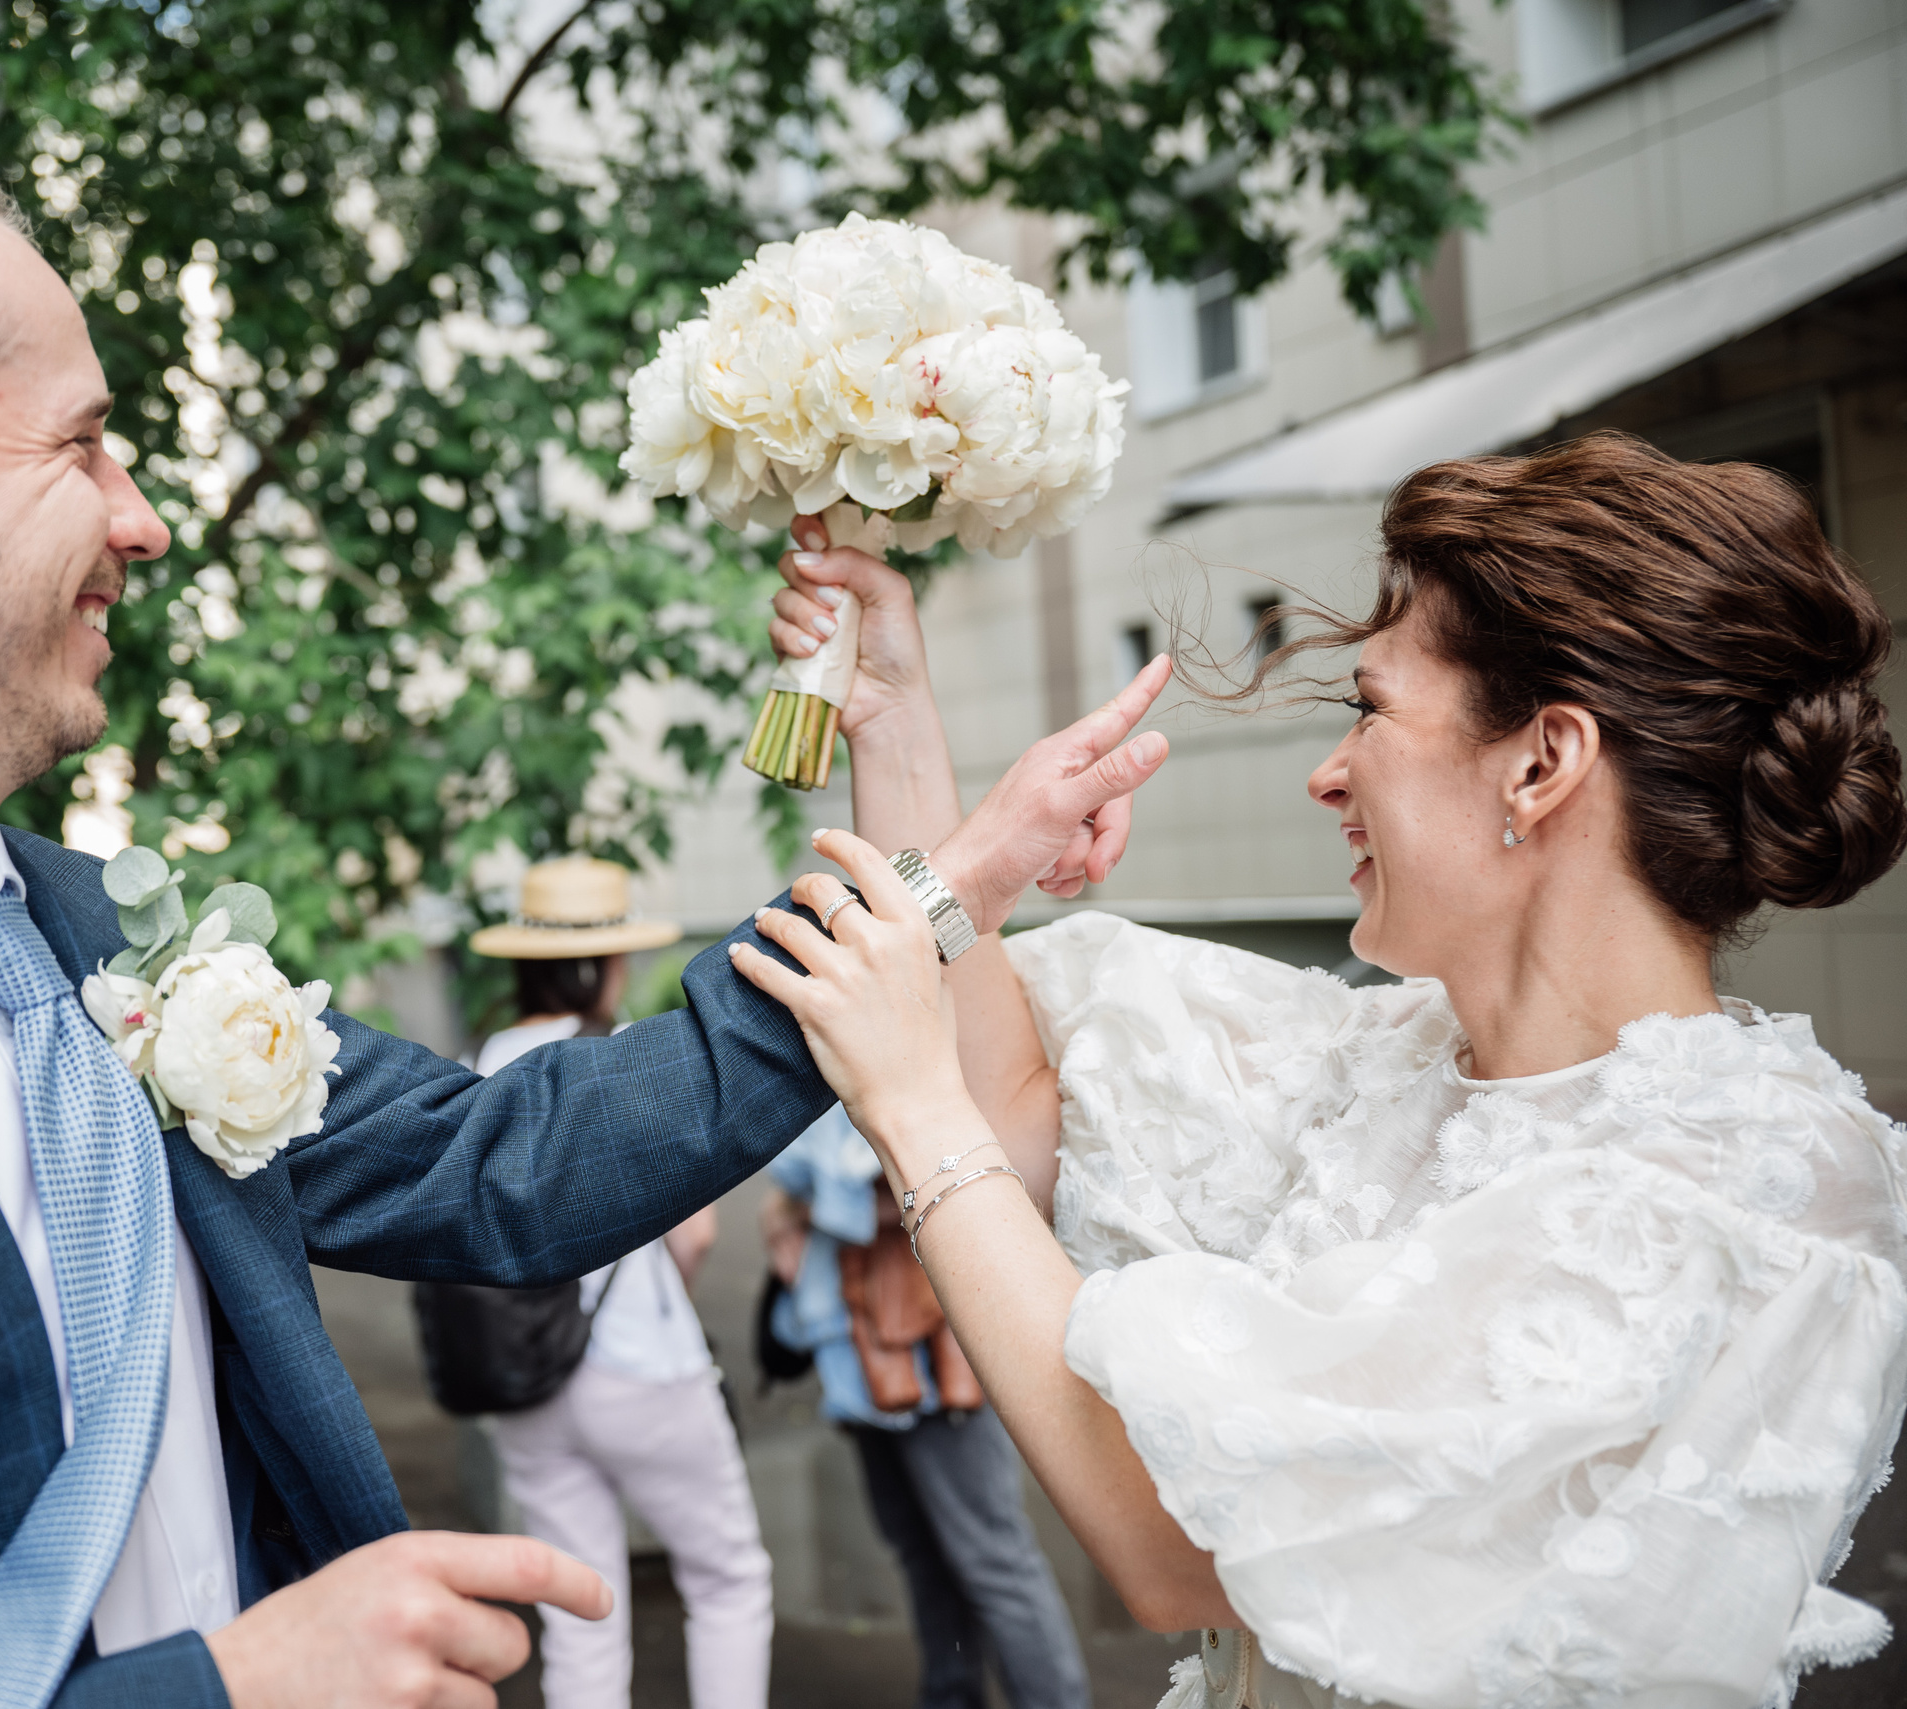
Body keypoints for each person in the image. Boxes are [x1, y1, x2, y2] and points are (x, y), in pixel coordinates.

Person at [0, 153, 1161, 1709]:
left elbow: (510, 1160)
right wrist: (221, 1689)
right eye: (80, 443)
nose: (140, 517)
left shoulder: (114, 942)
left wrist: (962, 864)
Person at [728, 433, 1907, 1709]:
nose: (1327, 770)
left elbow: (1183, 1549)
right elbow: (1015, 1094)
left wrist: (908, 1112)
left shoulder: (1740, 1187)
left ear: (1541, 761)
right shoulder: (1380, 1056)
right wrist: (893, 715)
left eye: (1370, 708)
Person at [467, 857, 776, 1709]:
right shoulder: (619, 1061)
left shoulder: (485, 1057)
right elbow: (696, 1232)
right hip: (640, 1363)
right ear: (603, 963)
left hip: (526, 1374)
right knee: (726, 1579)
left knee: (582, 1609)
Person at [763, 1106, 1091, 1709]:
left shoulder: (931, 1052)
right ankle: (950, 1694)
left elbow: (958, 1188)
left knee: (991, 1557)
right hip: (862, 1349)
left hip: (934, 1349)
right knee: (922, 1550)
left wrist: (802, 1208)